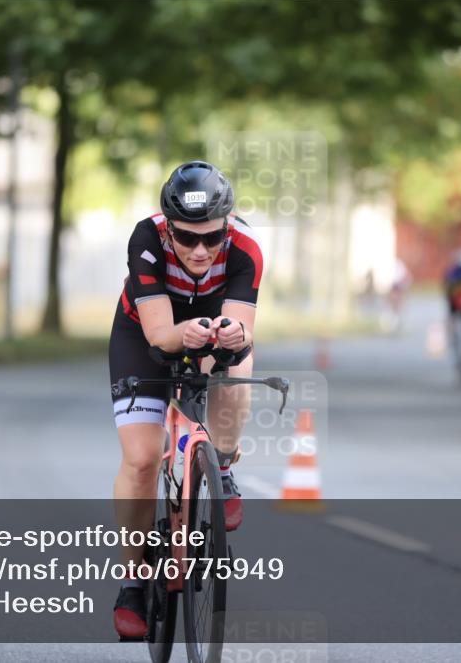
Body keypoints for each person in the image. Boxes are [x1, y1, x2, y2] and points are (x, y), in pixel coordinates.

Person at [109, 161, 263, 638]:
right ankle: (133, 582)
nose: (200, 250)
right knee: (142, 459)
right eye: (187, 237)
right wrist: (185, 335)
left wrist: (233, 335)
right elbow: (159, 335)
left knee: (236, 369)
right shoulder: (146, 240)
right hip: (145, 334)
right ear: (168, 227)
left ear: (228, 228)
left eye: (211, 239)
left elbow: (242, 331)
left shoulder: (246, 250)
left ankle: (221, 463)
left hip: (211, 325)